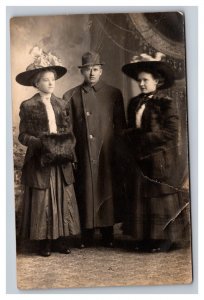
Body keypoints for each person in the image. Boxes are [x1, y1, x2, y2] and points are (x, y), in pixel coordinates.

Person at [16, 47, 80, 256]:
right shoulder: (28, 105)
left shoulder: (62, 104)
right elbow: (23, 135)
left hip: (60, 160)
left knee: (63, 198)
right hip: (40, 161)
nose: (51, 83)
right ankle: (44, 242)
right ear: (36, 83)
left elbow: (69, 131)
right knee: (44, 200)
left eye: (52, 79)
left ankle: (61, 240)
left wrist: (69, 151)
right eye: (45, 79)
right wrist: (40, 143)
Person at [121, 52, 187, 252]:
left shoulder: (165, 102)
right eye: (139, 80)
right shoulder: (135, 102)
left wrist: (146, 138)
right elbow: (131, 127)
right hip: (140, 156)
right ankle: (144, 237)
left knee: (159, 197)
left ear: (156, 81)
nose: (141, 84)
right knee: (142, 196)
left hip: (160, 157)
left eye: (145, 80)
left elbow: (171, 131)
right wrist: (131, 135)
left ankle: (163, 239)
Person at [63, 51, 126, 248]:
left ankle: (108, 232)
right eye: (88, 69)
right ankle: (87, 233)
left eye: (96, 69)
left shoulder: (114, 93)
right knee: (86, 190)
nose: (92, 73)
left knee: (106, 188)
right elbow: (69, 130)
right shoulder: (71, 95)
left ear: (101, 71)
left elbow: (121, 127)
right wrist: (72, 155)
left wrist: (119, 153)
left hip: (106, 152)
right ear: (82, 71)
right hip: (83, 152)